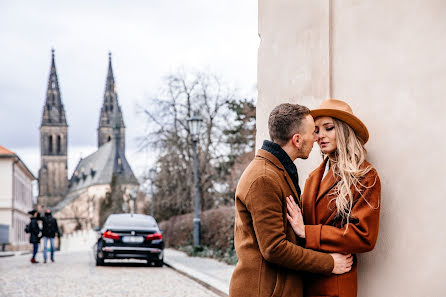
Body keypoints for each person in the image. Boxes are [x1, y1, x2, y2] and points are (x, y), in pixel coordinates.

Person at [229, 103, 353, 297]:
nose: (316, 138)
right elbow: (274, 248)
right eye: (313, 132)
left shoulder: (277, 170)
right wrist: (329, 263)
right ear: (297, 140)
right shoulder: (264, 178)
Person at [286, 99, 381, 297]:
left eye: (328, 128)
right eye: (317, 130)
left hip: (335, 284)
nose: (320, 136)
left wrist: (307, 232)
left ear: (344, 131)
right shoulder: (313, 177)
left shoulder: (364, 176)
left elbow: (364, 236)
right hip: (307, 279)